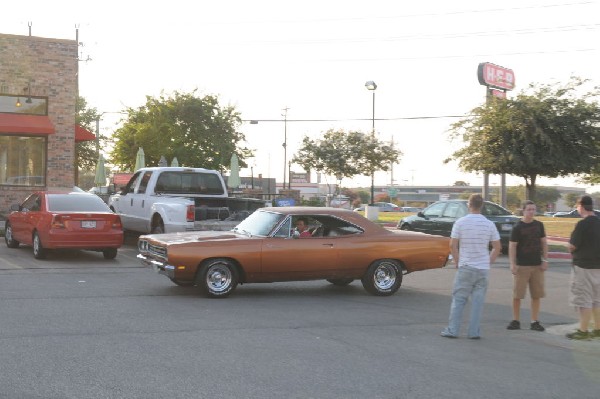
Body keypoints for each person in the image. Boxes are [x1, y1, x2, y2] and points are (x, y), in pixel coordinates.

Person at [441, 194, 501, 339]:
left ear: (469, 205)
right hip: (482, 268)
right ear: (482, 206)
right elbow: (497, 247)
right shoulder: (489, 224)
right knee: (478, 302)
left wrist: (457, 261)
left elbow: (452, 245)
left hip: (466, 266)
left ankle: (452, 330)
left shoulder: (460, 222)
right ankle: (473, 332)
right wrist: (488, 262)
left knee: (459, 299)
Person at [506, 200, 548, 332]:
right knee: (518, 295)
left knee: (536, 295)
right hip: (522, 265)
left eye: (533, 209)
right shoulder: (518, 227)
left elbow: (544, 243)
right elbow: (512, 246)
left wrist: (545, 259)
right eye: (528, 209)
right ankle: (515, 320)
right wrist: (512, 263)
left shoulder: (539, 225)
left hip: (536, 265)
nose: (531, 212)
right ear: (523, 211)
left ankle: (534, 321)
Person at [566, 195, 600, 340]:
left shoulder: (582, 224)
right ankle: (598, 329)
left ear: (581, 206)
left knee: (584, 300)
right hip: (598, 266)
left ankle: (583, 330)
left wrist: (569, 247)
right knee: (597, 299)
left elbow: (572, 246)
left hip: (583, 266)